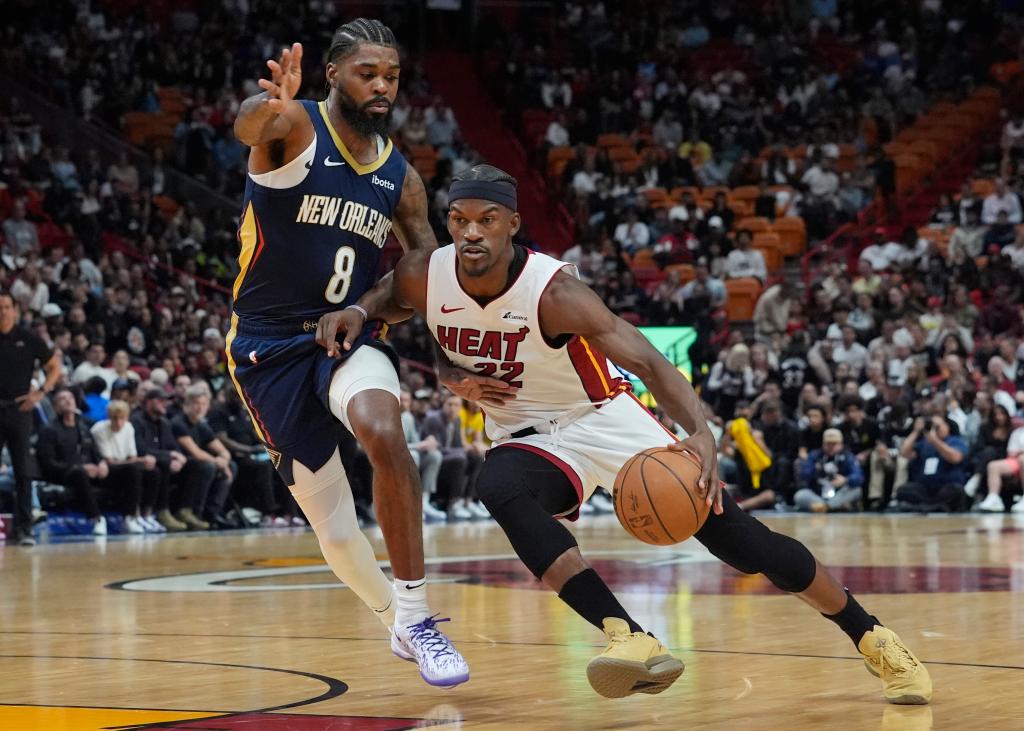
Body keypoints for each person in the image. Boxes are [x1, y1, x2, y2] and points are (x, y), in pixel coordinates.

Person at [318, 164, 932, 704]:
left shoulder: (554, 292)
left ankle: (872, 637)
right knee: (499, 485)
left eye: (486, 219)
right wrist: (399, 338)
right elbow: (389, 304)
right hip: (528, 436)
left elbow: (651, 363)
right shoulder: (426, 272)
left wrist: (703, 433)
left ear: (512, 224)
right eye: (459, 219)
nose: (470, 232)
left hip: (603, 417)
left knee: (742, 542)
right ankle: (628, 636)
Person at [228, 18, 467, 685]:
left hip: (343, 332)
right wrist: (264, 107)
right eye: (368, 72)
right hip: (265, 347)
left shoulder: (400, 177)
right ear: (333, 75)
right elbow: (252, 126)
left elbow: (423, 265)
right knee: (333, 526)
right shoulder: (295, 128)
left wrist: (378, 314)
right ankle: (396, 618)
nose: (382, 85)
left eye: (391, 74)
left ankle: (420, 617)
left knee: (385, 430)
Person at [0, 291, 62, 545]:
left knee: (24, 471)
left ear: (15, 310)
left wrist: (40, 393)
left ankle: (24, 529)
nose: (2, 311)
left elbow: (54, 367)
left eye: (6, 306)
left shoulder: (28, 338)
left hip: (19, 410)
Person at [91, 399, 163, 533]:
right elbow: (109, 461)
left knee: (153, 471)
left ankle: (146, 515)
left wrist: (143, 460)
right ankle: (129, 517)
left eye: (122, 418)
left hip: (126, 465)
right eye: (114, 419)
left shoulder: (129, 427)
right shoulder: (99, 429)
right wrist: (138, 461)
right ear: (108, 417)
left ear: (127, 417)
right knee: (132, 470)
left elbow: (131, 456)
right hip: (106, 469)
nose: (119, 423)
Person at [171, 384, 236, 528]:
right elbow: (195, 452)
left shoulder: (201, 425)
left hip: (198, 464)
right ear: (187, 404)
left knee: (231, 465)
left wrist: (224, 461)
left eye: (203, 404)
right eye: (196, 403)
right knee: (207, 466)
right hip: (180, 464)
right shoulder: (178, 423)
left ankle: (212, 514)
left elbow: (223, 450)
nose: (200, 408)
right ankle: (191, 511)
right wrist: (219, 462)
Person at [131, 389, 190, 531]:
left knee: (195, 465)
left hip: (161, 461)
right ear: (149, 402)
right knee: (162, 465)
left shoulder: (164, 422)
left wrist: (179, 458)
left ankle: (185, 510)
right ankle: (160, 511)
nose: (165, 404)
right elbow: (140, 449)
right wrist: (170, 456)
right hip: (141, 461)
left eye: (166, 401)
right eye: (161, 401)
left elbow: (173, 447)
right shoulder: (136, 420)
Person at [894, 415, 968, 512]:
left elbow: (955, 458)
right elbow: (904, 453)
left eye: (937, 426)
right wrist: (916, 431)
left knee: (956, 491)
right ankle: (934, 506)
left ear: (947, 426)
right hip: (925, 488)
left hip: (945, 486)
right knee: (903, 490)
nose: (934, 430)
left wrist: (935, 441)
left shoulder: (955, 441)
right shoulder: (924, 443)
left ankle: (925, 506)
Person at [796, 429, 865, 512]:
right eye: (828, 444)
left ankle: (826, 507)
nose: (831, 447)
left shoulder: (848, 456)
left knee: (857, 490)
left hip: (840, 493)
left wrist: (845, 480)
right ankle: (833, 507)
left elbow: (859, 476)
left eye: (834, 444)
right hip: (819, 493)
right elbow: (804, 475)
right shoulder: (815, 455)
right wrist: (815, 470)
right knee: (800, 495)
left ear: (841, 444)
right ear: (823, 444)